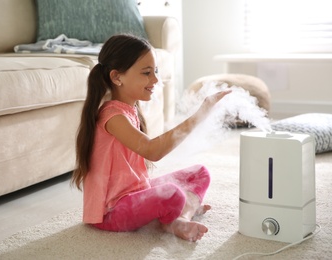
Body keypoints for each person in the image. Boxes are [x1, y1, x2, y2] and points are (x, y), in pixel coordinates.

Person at [71, 34, 231, 242]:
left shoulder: (129, 109)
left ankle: (180, 217)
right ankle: (175, 220)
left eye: (155, 71)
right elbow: (153, 151)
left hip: (137, 192)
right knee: (174, 194)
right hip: (111, 212)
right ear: (117, 77)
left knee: (199, 173)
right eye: (147, 73)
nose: (155, 79)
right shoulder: (112, 116)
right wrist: (198, 116)